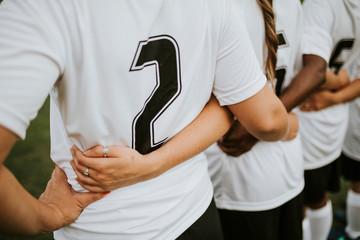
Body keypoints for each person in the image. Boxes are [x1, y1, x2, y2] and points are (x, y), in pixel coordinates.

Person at [0, 0, 290, 239]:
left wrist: (49, 216)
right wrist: (155, 164)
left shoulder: (46, 8)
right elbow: (261, 118)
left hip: (103, 226)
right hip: (195, 213)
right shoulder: (215, 6)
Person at [201, 0, 305, 239]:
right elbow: (300, 76)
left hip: (236, 177)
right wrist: (286, 122)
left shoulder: (216, 7)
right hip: (284, 163)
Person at [291, 0, 360, 239]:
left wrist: (334, 86)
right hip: (332, 119)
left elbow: (311, 69)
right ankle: (352, 232)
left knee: (301, 204)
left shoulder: (320, 5)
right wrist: (339, 89)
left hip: (308, 119)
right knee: (319, 197)